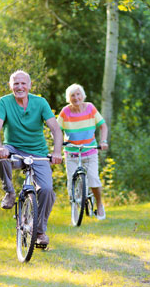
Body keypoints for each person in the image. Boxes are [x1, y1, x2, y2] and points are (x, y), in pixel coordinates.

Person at [0, 70, 63, 245]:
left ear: (30, 85)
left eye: (23, 83)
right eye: (16, 83)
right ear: (11, 86)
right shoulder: (4, 102)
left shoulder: (41, 103)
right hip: (13, 150)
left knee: (46, 190)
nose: (20, 87)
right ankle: (9, 191)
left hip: (38, 153)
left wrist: (57, 152)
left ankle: (39, 233)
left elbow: (56, 130)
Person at [57, 83, 108, 220]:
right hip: (71, 152)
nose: (76, 97)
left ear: (82, 95)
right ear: (69, 98)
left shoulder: (90, 108)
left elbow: (103, 126)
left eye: (78, 94)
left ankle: (99, 204)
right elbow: (56, 130)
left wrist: (103, 142)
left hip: (90, 151)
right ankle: (74, 206)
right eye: (72, 95)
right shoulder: (65, 112)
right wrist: (59, 142)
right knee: (71, 182)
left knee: (93, 179)